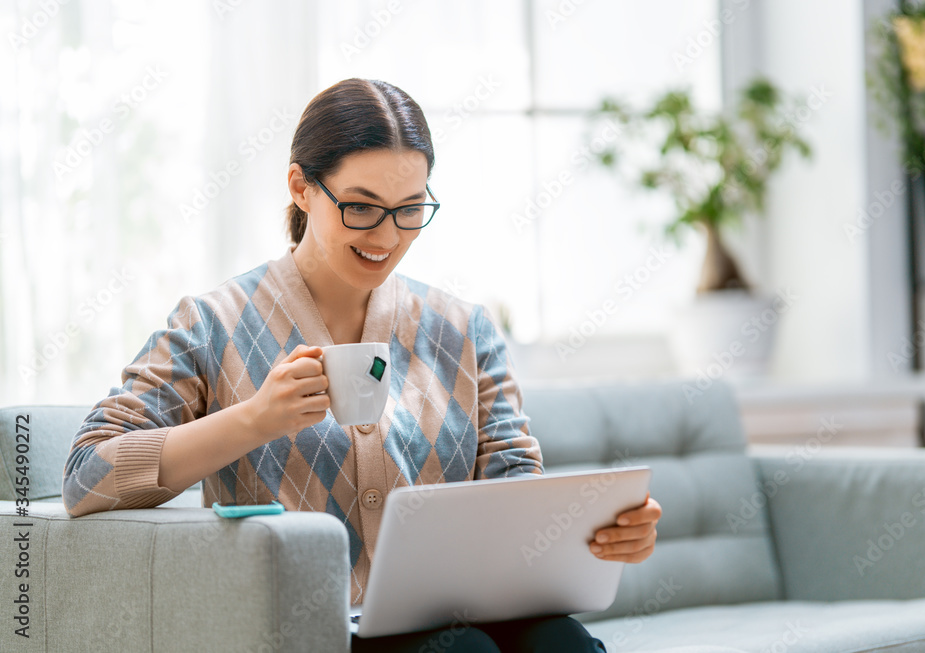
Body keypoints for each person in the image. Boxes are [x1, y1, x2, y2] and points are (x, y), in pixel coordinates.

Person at [62, 78, 662, 652]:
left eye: (409, 209)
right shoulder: (211, 324)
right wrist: (254, 421)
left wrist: (597, 537)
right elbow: (87, 476)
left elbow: (514, 490)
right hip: (307, 631)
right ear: (300, 186)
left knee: (559, 642)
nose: (387, 235)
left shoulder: (463, 329)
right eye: (361, 206)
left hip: (463, 614)